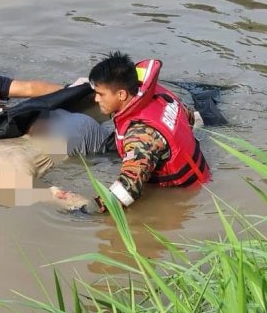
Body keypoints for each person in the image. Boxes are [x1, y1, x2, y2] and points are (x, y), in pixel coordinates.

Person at [88, 52, 210, 210]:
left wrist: (86, 207)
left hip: (183, 195)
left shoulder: (140, 135)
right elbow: (191, 119)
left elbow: (128, 190)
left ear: (121, 94)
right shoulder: (161, 95)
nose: (96, 99)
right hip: (200, 175)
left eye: (100, 94)